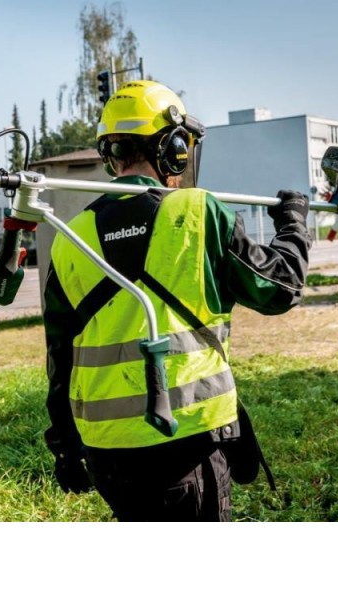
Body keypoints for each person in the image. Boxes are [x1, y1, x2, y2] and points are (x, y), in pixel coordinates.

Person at [42, 80, 311, 522]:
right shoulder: (199, 213)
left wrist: (65, 448)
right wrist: (293, 224)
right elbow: (280, 288)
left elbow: (59, 358)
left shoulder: (71, 237)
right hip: (187, 444)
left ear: (111, 154)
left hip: (107, 454)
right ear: (174, 150)